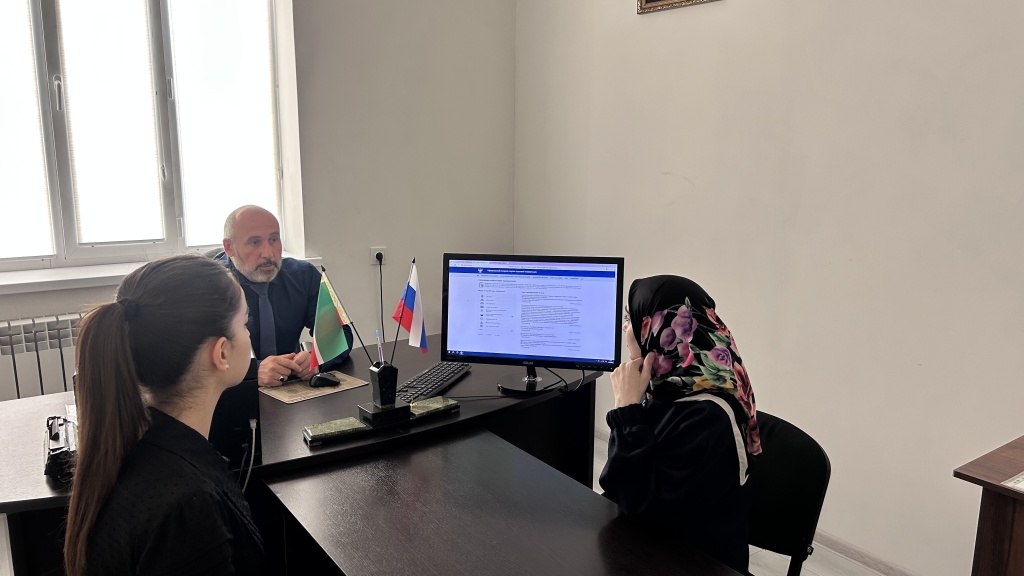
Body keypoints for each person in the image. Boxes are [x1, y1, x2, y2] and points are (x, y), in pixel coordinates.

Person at [64, 255, 264, 576]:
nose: (249, 335)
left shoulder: (133, 445)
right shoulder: (189, 510)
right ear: (221, 353)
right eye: (244, 324)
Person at [599, 275, 761, 575]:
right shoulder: (666, 391)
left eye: (632, 319)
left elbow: (642, 505)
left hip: (695, 563)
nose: (625, 328)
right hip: (653, 545)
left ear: (661, 329)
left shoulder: (708, 416)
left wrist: (626, 410)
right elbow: (620, 487)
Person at [218, 205, 353, 387]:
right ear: (229, 248)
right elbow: (197, 359)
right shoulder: (211, 286)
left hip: (292, 386)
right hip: (232, 392)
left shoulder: (304, 275)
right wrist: (253, 371)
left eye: (274, 239)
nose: (268, 253)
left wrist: (316, 359)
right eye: (255, 242)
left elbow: (340, 334)